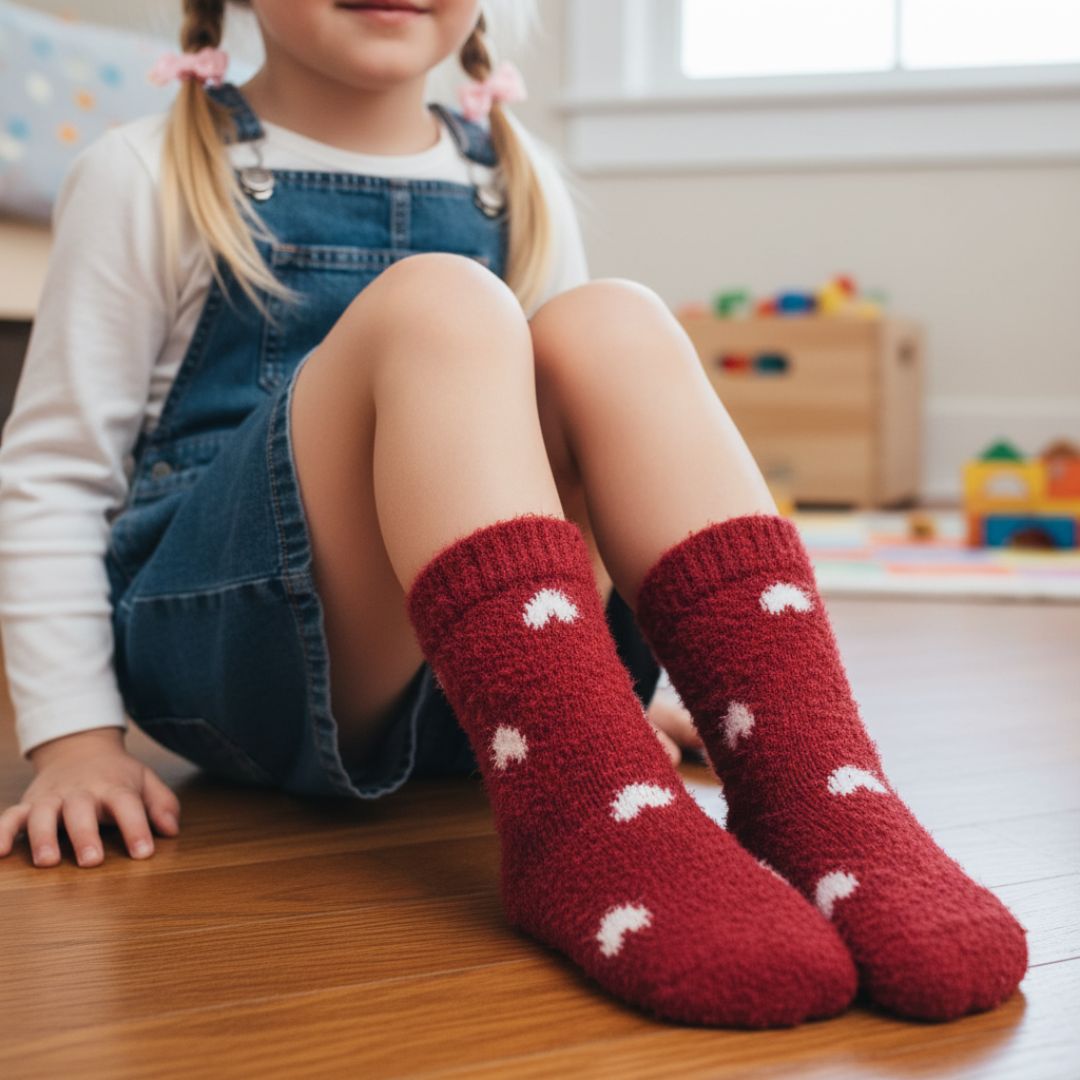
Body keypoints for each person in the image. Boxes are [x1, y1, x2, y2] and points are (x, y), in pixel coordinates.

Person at [0, 0, 1026, 1029]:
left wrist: (631, 692)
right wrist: (76, 742)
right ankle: (590, 825)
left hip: (483, 694)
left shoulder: (512, 175)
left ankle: (812, 786)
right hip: (237, 656)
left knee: (610, 323)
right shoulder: (146, 172)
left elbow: (570, 454)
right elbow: (54, 474)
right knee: (441, 302)